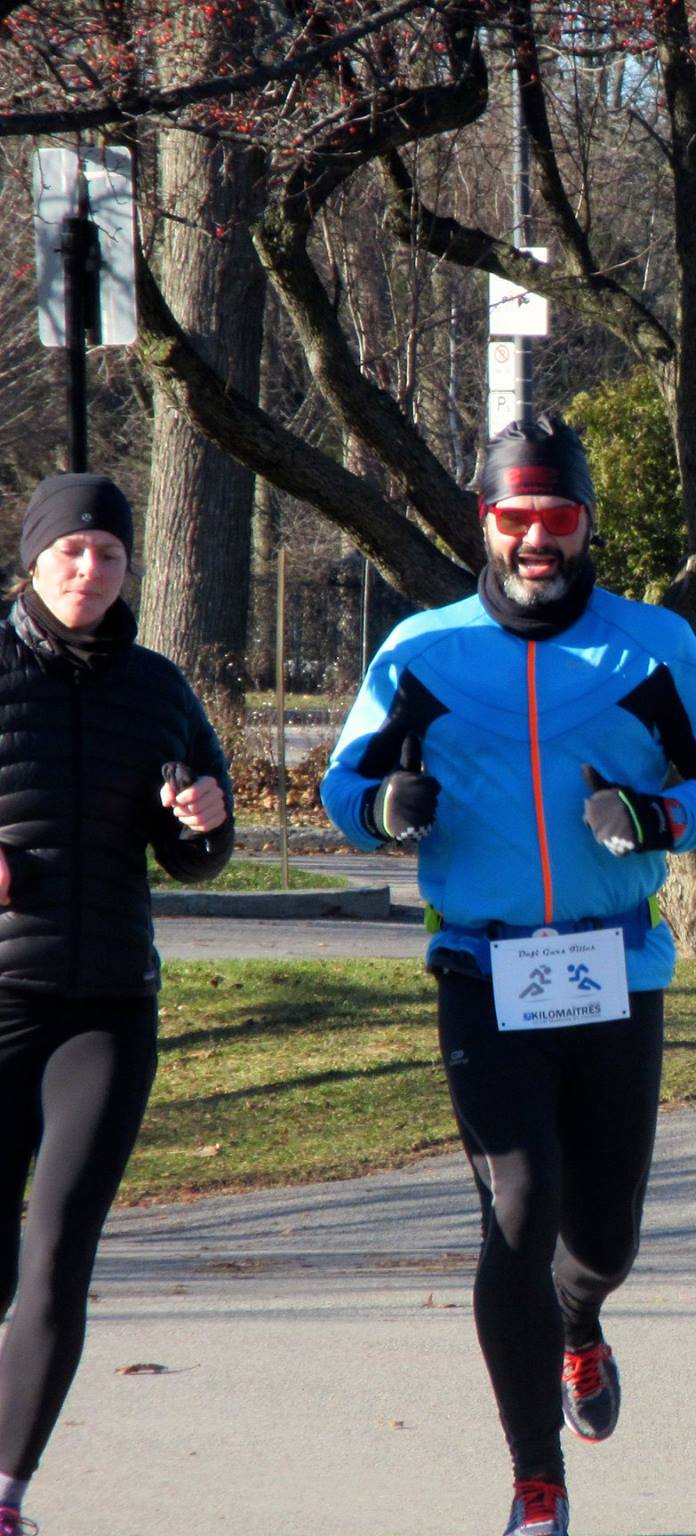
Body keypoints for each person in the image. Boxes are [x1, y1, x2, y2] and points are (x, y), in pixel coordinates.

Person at [320, 418, 696, 1536]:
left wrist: (661, 813)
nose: (534, 542)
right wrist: (380, 809)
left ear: (584, 527)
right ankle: (535, 1481)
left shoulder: (653, 647)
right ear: (485, 523)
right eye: (513, 520)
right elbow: (341, 783)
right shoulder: (421, 651)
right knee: (519, 1210)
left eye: (555, 520)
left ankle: (581, 1324)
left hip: (612, 970)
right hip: (483, 968)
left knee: (601, 1231)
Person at [0, 473, 233, 1536]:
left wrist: (201, 818)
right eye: (71, 551)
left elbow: (197, 858)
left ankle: (5, 1496)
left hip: (105, 1010)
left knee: (59, 1250)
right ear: (33, 559)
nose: (90, 571)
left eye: (109, 554)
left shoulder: (157, 687)